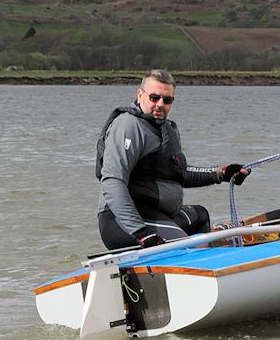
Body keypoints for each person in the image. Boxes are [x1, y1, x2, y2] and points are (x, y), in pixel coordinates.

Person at [95, 69, 250, 250]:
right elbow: (113, 182)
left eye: (167, 100)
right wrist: (140, 233)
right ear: (140, 95)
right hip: (122, 221)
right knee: (187, 246)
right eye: (154, 98)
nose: (160, 104)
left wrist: (222, 173)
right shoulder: (128, 125)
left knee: (201, 216)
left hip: (157, 215)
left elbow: (180, 174)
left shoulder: (167, 129)